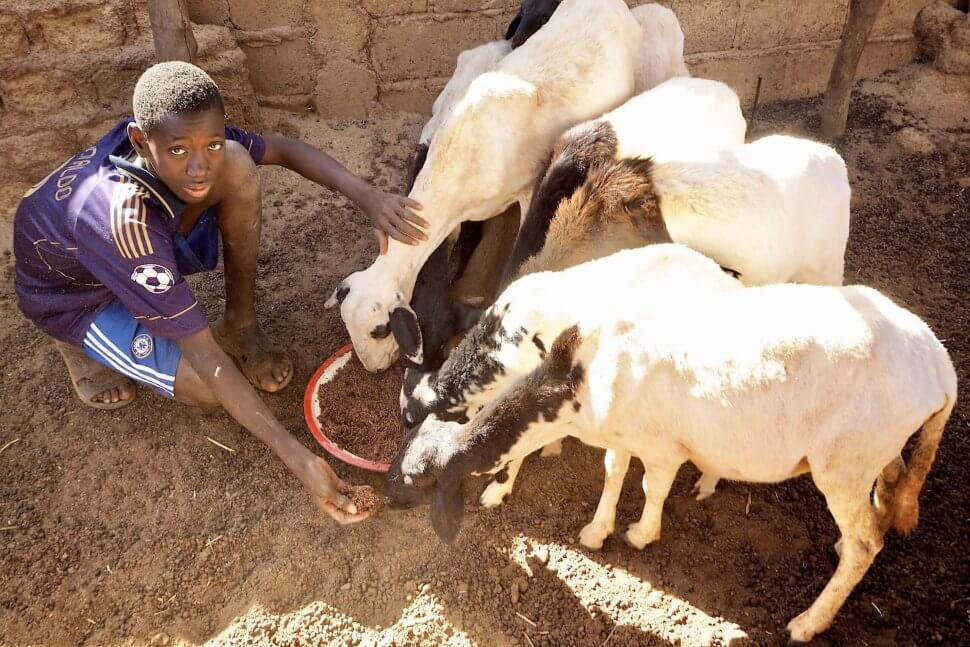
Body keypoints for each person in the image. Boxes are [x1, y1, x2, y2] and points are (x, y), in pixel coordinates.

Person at [12, 61, 428, 523]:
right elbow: (205, 356)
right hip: (75, 296)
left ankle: (239, 325)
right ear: (139, 140)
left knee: (236, 164)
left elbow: (282, 150)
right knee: (207, 386)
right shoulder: (125, 227)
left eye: (209, 142)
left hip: (126, 248)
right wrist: (302, 461)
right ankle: (77, 346)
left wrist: (369, 197)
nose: (199, 166)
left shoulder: (183, 132)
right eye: (178, 151)